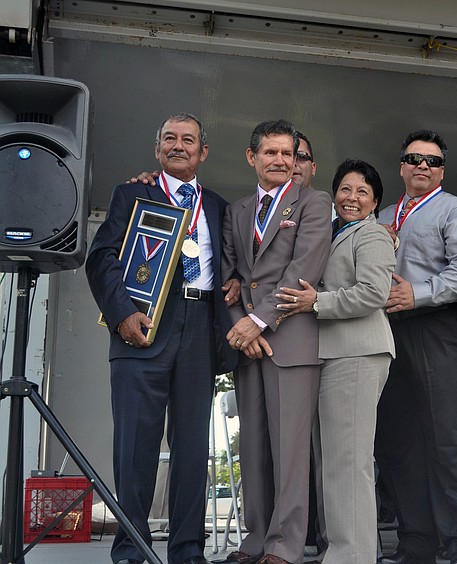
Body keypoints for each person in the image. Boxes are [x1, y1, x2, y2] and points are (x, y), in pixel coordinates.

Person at [86, 113, 238, 564]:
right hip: (142, 329)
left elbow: (232, 264)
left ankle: (188, 550)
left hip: (201, 329)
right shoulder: (133, 193)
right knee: (135, 445)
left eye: (187, 140)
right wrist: (121, 315)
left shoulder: (218, 206)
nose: (178, 146)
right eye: (169, 139)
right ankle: (131, 549)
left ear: (203, 152)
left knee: (193, 447)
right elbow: (101, 258)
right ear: (157, 150)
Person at [219, 119, 332, 564]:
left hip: (291, 342)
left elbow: (303, 270)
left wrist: (258, 322)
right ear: (253, 157)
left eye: (289, 153)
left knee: (289, 453)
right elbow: (228, 278)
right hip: (249, 347)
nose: (281, 161)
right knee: (254, 450)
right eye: (271, 152)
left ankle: (285, 546)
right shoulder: (237, 210)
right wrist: (240, 328)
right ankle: (255, 541)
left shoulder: (314, 202)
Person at [275, 159, 396, 564]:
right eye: (345, 189)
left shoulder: (373, 235)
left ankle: (354, 556)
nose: (352, 198)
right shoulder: (331, 232)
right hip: (331, 354)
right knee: (331, 459)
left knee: (350, 460)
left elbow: (372, 294)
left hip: (358, 352)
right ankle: (340, 550)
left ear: (375, 201)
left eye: (363, 192)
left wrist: (317, 302)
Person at [375, 130, 457, 564]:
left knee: (449, 437)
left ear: (442, 170)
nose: (423, 166)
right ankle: (415, 541)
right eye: (414, 158)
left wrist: (417, 293)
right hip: (388, 331)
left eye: (433, 161)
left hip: (438, 326)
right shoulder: (383, 214)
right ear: (401, 165)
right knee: (398, 441)